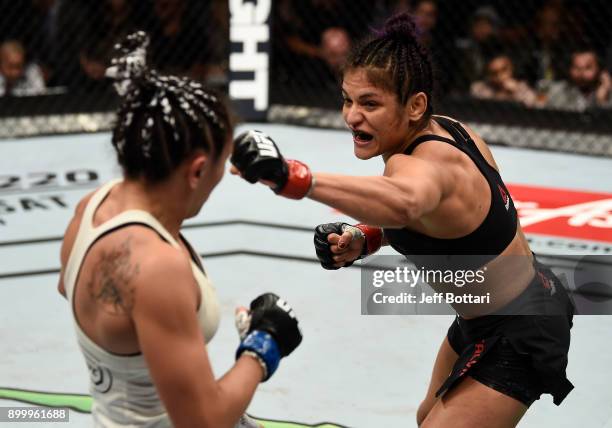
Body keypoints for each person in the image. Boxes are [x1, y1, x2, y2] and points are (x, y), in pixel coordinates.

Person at [231, 13, 574, 427]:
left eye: (370, 103)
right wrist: (367, 238)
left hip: (520, 330)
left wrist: (291, 177)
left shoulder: (430, 163)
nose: (352, 116)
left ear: (415, 105)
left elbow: (407, 202)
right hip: (488, 313)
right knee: (426, 415)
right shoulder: (448, 132)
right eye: (347, 99)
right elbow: (441, 222)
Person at [58, 32, 302, 428]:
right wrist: (263, 345)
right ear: (197, 171)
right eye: (222, 164)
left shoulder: (93, 207)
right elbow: (202, 422)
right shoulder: (157, 268)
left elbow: (71, 289)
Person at [544, 47, 612, 111]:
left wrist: (601, 100)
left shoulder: (607, 91)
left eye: (588, 68)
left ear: (599, 70)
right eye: (576, 68)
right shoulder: (558, 90)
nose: (581, 73)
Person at [470, 53, 539, 107]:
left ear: (511, 69)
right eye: (494, 73)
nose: (500, 76)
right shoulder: (480, 87)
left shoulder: (521, 87)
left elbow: (534, 104)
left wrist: (515, 92)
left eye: (504, 70)